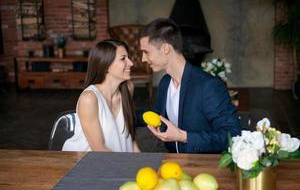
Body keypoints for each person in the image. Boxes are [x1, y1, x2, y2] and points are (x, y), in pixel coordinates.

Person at [136, 18, 241, 153]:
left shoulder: (209, 86)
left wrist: (183, 137)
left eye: (146, 52)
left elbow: (232, 135)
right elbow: (157, 115)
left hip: (205, 167)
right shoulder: (165, 83)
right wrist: (122, 115)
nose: (143, 59)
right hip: (174, 164)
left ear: (165, 49)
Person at [63, 39, 140, 152]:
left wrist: (144, 165)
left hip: (117, 162)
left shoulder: (128, 89)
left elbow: (130, 140)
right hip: (84, 163)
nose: (131, 63)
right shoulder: (89, 98)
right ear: (106, 65)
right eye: (123, 59)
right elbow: (99, 149)